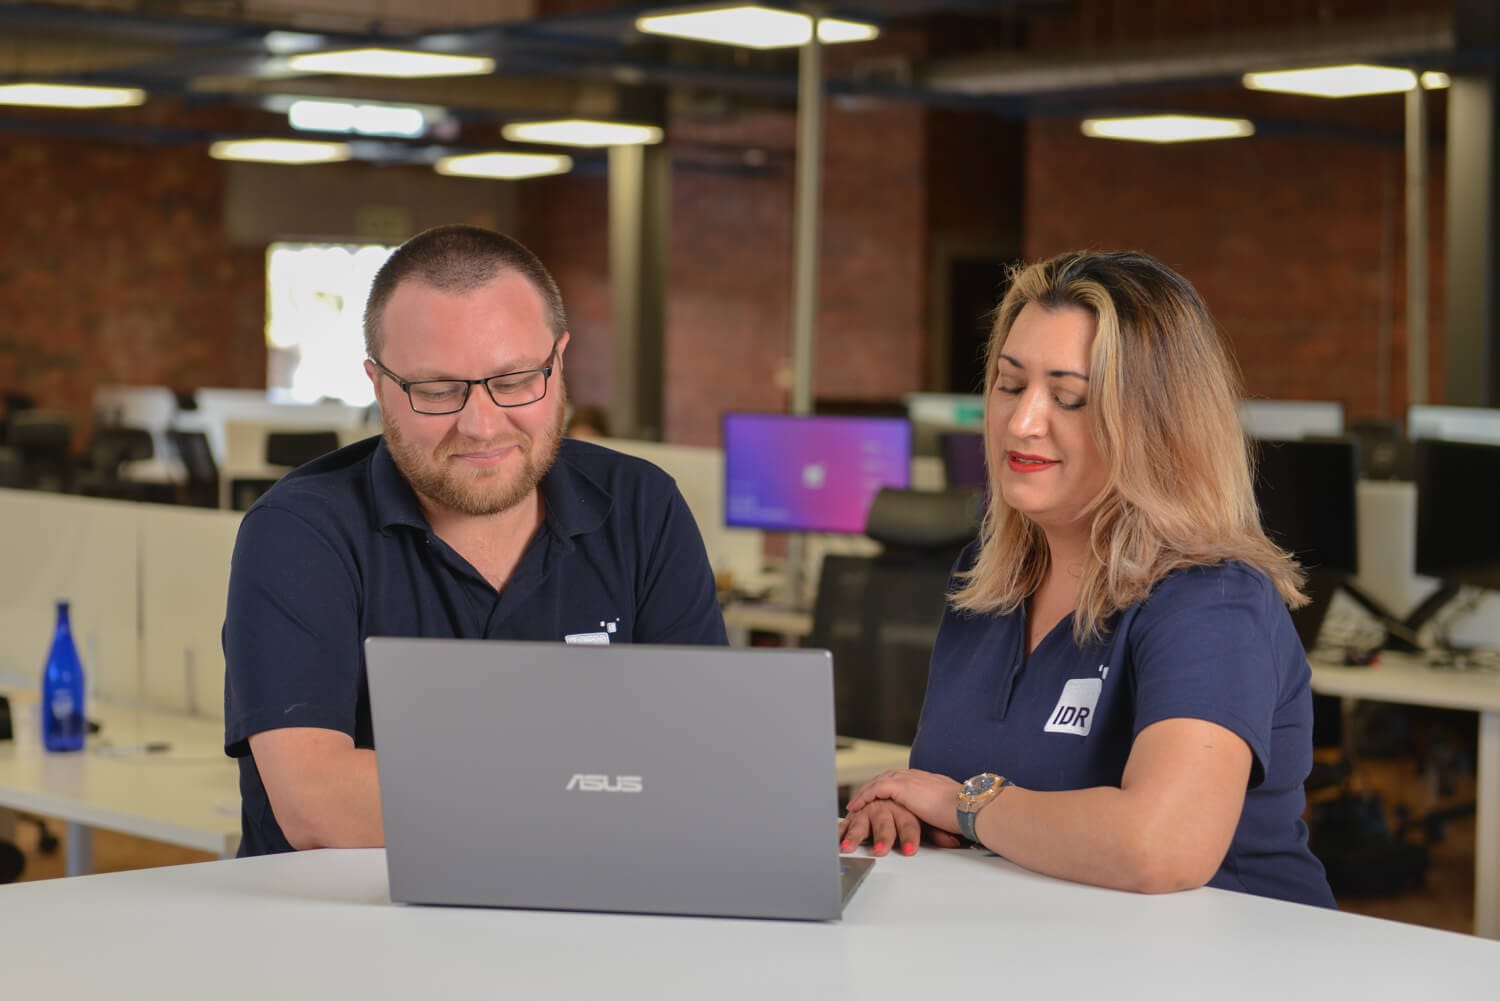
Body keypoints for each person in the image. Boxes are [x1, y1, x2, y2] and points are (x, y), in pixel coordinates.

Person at [839, 251, 1335, 908]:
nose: (1022, 422)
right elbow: (959, 801)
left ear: (1156, 424)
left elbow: (1161, 847)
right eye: (1010, 385)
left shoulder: (1210, 597)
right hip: (1044, 940)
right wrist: (909, 813)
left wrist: (963, 804)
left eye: (1069, 397)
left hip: (1229, 953)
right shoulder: (987, 578)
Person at [224, 224, 727, 856]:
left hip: (594, 911)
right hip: (355, 917)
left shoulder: (641, 508)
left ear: (559, 362)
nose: (482, 426)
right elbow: (320, 806)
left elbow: (709, 763)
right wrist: (610, 792)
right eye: (437, 391)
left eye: (514, 381)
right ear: (378, 386)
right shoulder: (300, 533)